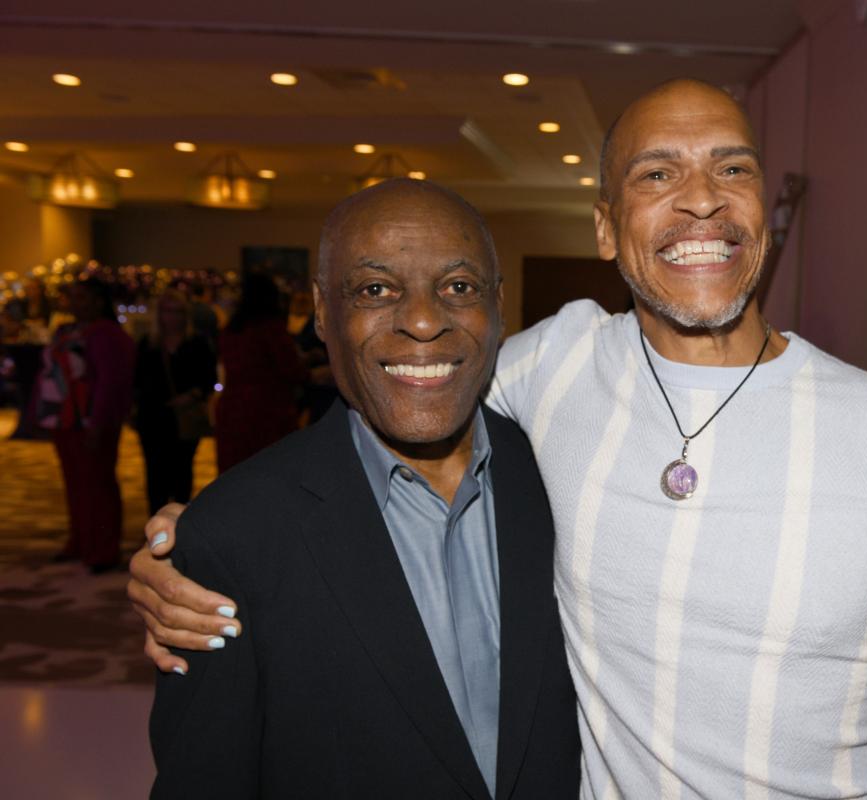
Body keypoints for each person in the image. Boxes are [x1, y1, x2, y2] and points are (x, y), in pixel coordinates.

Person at [129, 80, 867, 798]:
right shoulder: (553, 366)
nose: (702, 198)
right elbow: (403, 390)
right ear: (605, 228)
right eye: (658, 174)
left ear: (762, 210)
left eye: (731, 167)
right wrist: (190, 547)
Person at [146, 180, 581, 797]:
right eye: (376, 290)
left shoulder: (562, 477)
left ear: (498, 306)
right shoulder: (235, 535)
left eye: (459, 287)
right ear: (323, 312)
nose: (424, 321)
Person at [36, 278, 135, 573]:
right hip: (65, 420)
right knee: (75, 483)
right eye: (73, 297)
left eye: (82, 297)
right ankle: (80, 541)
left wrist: (98, 421)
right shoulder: (66, 330)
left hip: (92, 420)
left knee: (98, 484)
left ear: (98, 301)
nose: (75, 303)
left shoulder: (107, 334)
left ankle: (103, 549)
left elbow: (110, 382)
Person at [133, 288, 217, 513]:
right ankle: (156, 522)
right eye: (167, 311)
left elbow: (209, 378)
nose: (172, 317)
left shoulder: (197, 343)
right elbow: (138, 380)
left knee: (183, 472)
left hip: (185, 418)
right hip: (153, 418)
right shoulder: (148, 344)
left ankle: (178, 521)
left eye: (178, 311)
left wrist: (192, 395)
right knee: (155, 475)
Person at [214, 272, 308, 472]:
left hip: (233, 409)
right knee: (270, 473)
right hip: (266, 411)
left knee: (236, 476)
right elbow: (291, 370)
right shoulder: (270, 327)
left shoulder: (232, 328)